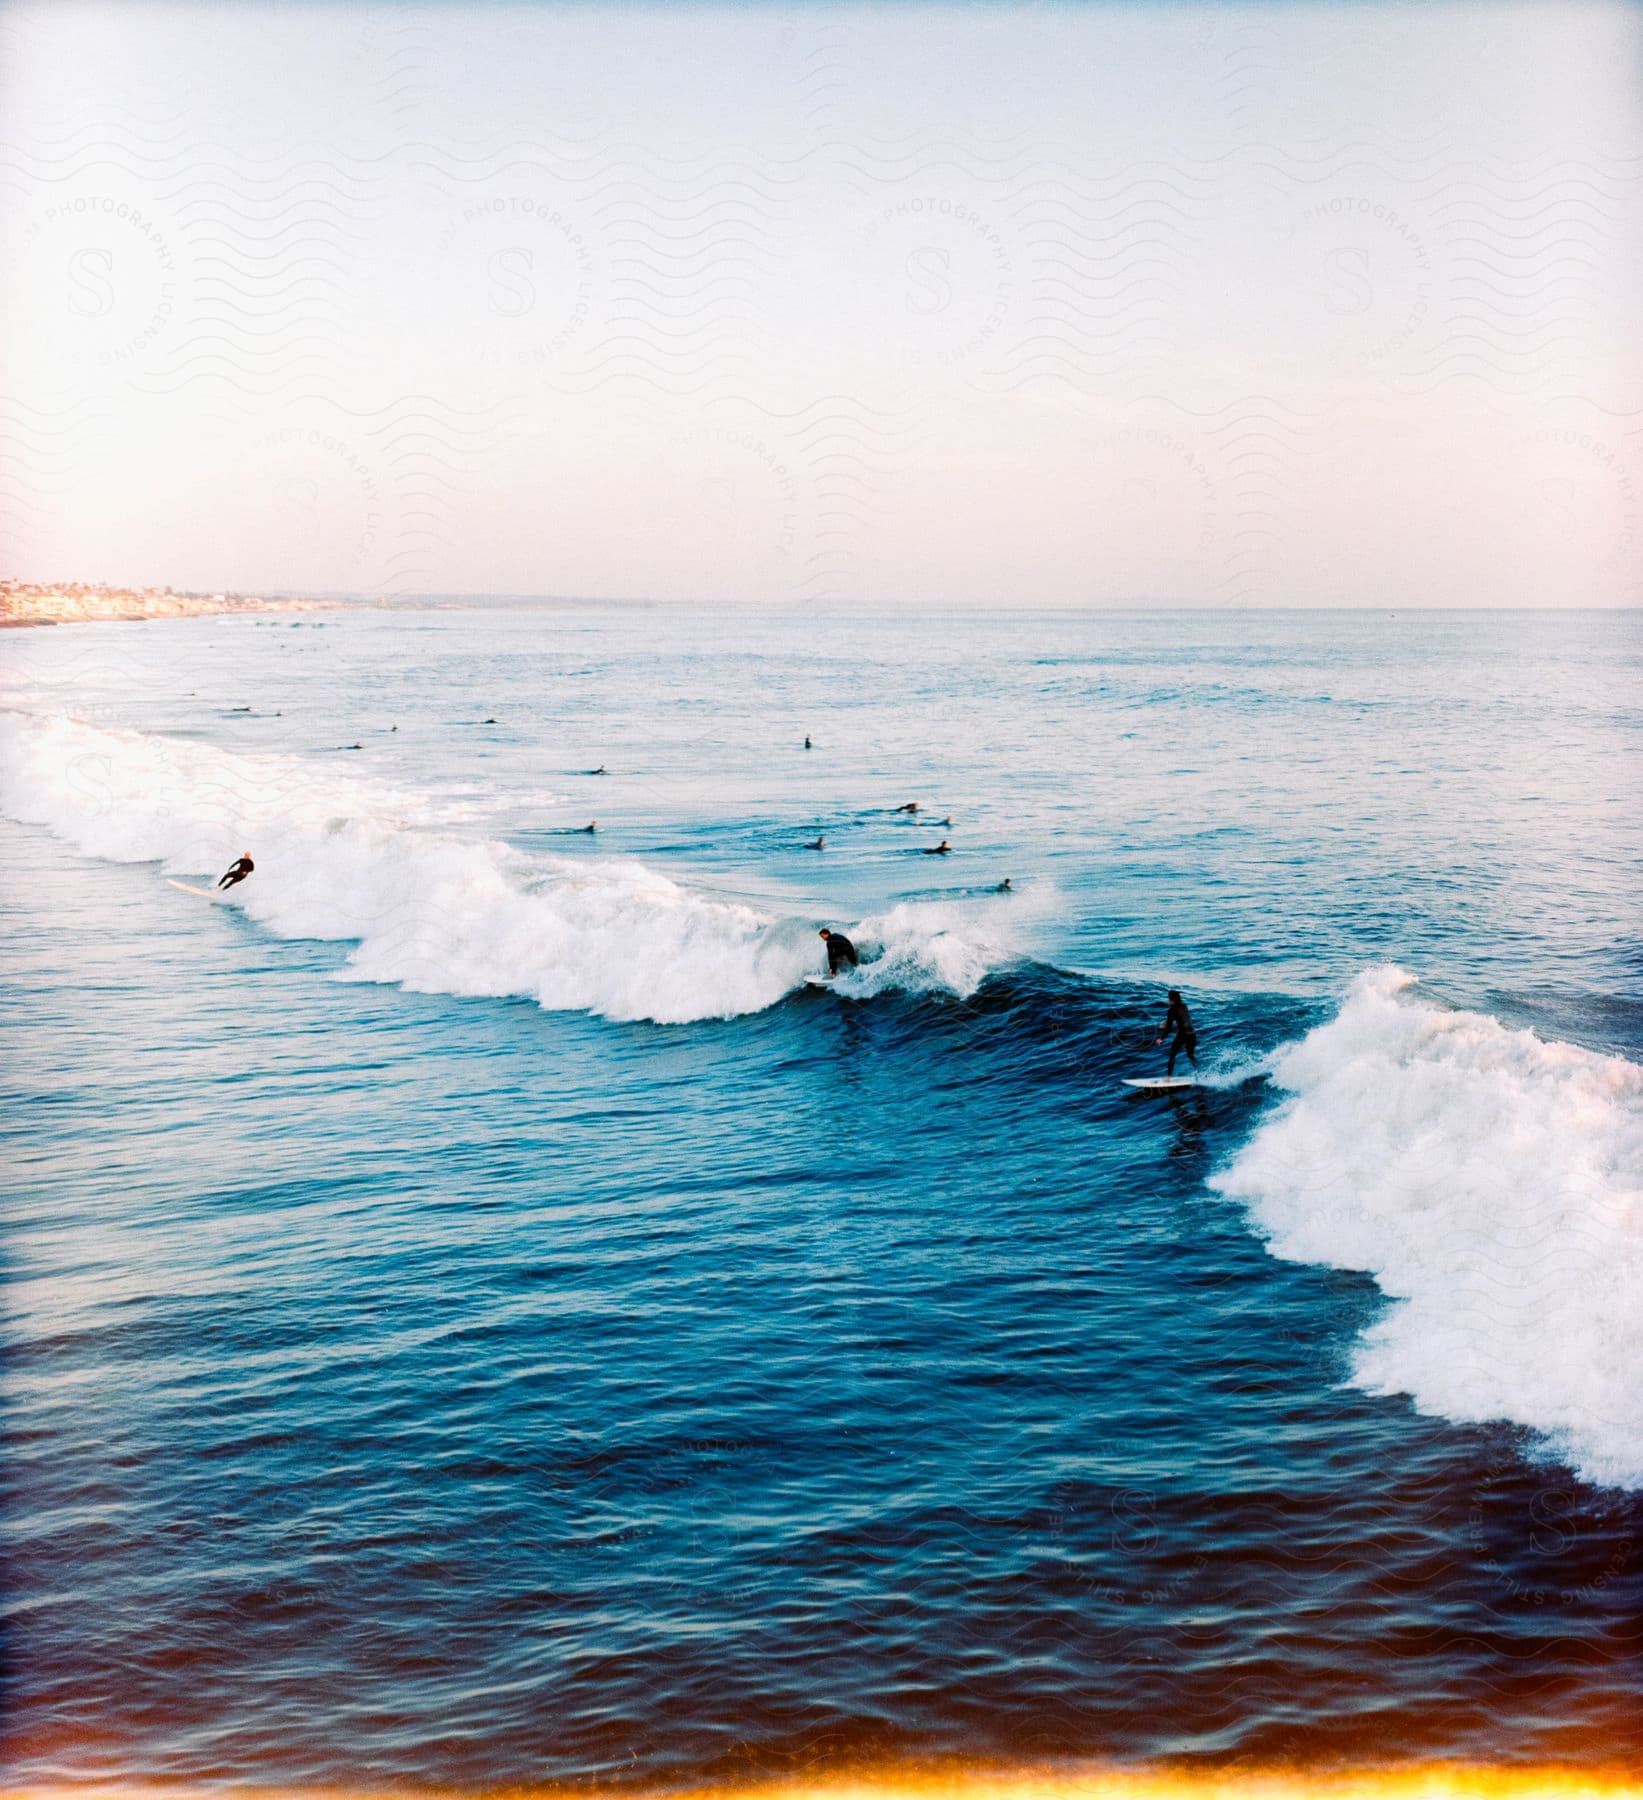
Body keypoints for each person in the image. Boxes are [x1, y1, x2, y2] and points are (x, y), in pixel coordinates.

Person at [1154, 988, 1199, 1076]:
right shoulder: (1184, 1006)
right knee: (1190, 1055)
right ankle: (1200, 1074)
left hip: (1183, 1035)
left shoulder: (1171, 1010)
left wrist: (1161, 1038)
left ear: (1172, 1000)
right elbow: (1182, 1018)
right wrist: (1167, 1022)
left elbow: (1169, 1028)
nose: (1168, 1001)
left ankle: (1168, 1078)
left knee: (1172, 1055)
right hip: (1192, 1034)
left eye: (1169, 999)